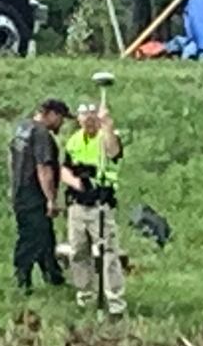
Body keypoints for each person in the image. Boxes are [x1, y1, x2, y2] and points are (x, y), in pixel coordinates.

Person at [62, 102, 127, 317]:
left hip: (101, 205)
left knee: (108, 253)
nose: (89, 122)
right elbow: (64, 168)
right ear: (78, 120)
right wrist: (75, 182)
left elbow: (113, 152)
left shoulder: (107, 137)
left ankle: (115, 301)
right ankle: (84, 295)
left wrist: (108, 126)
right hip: (78, 206)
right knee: (78, 251)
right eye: (84, 118)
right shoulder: (74, 141)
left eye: (93, 118)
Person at [9, 99, 73, 293]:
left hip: (20, 190)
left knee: (46, 236)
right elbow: (43, 168)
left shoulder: (23, 128)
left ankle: (53, 274)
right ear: (52, 114)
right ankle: (23, 278)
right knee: (32, 237)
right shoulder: (41, 134)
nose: (61, 123)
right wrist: (51, 199)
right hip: (34, 194)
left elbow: (12, 157)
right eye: (61, 118)